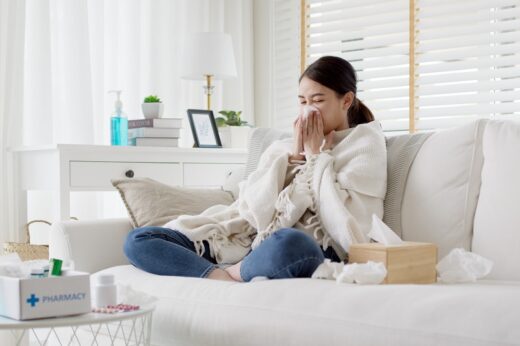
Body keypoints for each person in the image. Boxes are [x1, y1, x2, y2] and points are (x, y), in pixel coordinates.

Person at [124, 56, 387, 282]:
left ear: (346, 101)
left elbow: (347, 228)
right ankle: (219, 276)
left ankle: (238, 270)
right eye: (302, 102)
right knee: (138, 239)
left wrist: (316, 156)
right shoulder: (282, 147)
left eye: (317, 100)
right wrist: (295, 156)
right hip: (249, 243)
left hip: (310, 248)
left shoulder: (364, 143)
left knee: (292, 243)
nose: (309, 111)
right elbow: (252, 212)